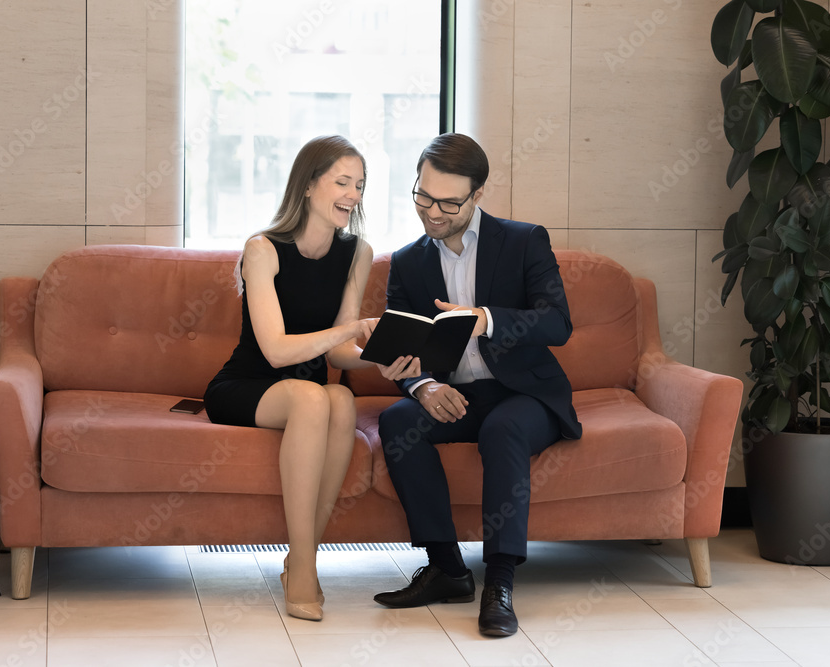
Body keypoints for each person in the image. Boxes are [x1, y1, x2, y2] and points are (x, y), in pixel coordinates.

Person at [373, 133, 582, 637]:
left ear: (478, 194)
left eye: (448, 202)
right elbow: (402, 347)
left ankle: (501, 581)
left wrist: (485, 319)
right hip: (457, 394)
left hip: (523, 394)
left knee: (503, 429)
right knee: (398, 421)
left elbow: (558, 323)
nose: (433, 211)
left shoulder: (524, 240)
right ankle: (446, 569)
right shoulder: (407, 262)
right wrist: (422, 386)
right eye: (423, 196)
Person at [204, 135, 419, 622]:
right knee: (313, 398)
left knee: (338, 399)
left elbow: (341, 355)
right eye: (342, 182)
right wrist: (351, 329)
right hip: (246, 386)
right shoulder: (263, 249)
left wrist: (382, 361)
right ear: (307, 185)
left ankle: (302, 558)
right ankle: (303, 567)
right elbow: (276, 350)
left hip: (310, 392)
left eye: (360, 186)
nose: (353, 195)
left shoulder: (357, 252)